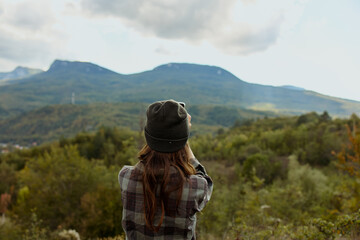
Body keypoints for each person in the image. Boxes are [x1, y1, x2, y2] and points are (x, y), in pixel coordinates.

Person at [118, 99, 213, 239]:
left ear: (148, 136)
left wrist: (165, 134)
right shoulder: (197, 186)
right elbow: (205, 180)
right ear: (183, 140)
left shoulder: (125, 176)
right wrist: (183, 138)